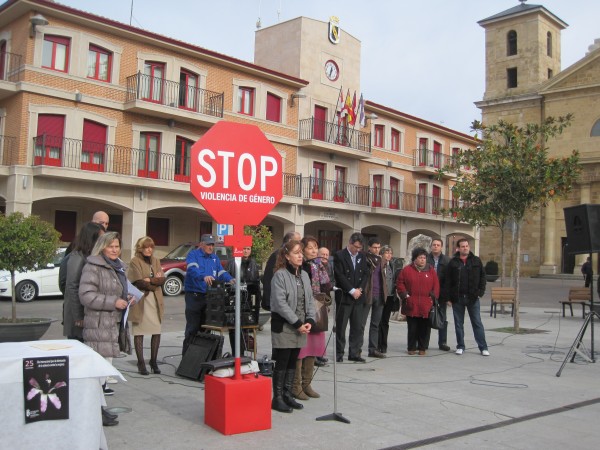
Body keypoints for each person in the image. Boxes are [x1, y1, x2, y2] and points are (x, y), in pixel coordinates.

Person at [78, 232, 130, 427]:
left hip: (111, 326)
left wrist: (127, 298)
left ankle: (99, 410)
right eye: (111, 246)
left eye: (117, 246)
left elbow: (118, 290)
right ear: (102, 247)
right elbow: (86, 295)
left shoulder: (118, 267)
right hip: (98, 326)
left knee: (103, 372)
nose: (115, 250)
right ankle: (94, 412)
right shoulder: (93, 266)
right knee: (98, 373)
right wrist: (113, 302)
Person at [270, 239, 315, 413]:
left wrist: (309, 320)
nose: (300, 256)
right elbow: (280, 304)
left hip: (300, 327)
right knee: (282, 362)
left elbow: (309, 300)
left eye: (301, 253)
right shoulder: (279, 275)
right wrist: (297, 323)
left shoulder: (303, 274)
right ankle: (278, 397)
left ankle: (288, 394)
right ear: (287, 256)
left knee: (292, 362)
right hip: (285, 326)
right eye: (296, 253)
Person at [292, 236, 331, 400]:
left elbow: (326, 286)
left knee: (313, 349)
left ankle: (307, 383)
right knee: (301, 349)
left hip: (317, 310)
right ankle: (296, 385)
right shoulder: (301, 267)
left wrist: (325, 302)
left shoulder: (319, 266)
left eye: (316, 247)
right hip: (303, 310)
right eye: (310, 248)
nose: (314, 250)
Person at [182, 234, 233, 356]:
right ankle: (187, 358)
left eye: (212, 245)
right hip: (194, 296)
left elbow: (221, 272)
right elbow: (192, 270)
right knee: (193, 327)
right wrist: (203, 276)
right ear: (201, 244)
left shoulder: (214, 258)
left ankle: (202, 357)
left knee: (207, 328)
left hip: (209, 296)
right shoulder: (193, 255)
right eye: (208, 245)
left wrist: (230, 279)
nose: (211, 247)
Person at [127, 236, 166, 375]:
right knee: (139, 332)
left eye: (151, 247)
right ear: (140, 248)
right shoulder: (134, 261)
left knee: (156, 331)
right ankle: (141, 362)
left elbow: (162, 279)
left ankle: (153, 361)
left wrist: (150, 280)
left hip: (155, 301)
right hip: (141, 301)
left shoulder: (156, 260)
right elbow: (138, 282)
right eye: (146, 247)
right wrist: (154, 283)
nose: (149, 249)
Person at [445, 238, 489, 356]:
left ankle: (483, 347)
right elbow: (448, 281)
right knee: (458, 323)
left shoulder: (476, 260)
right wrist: (448, 298)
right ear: (458, 248)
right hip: (457, 298)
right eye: (463, 246)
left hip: (473, 298)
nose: (465, 248)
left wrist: (480, 292)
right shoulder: (453, 262)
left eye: (467, 246)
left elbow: (483, 277)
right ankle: (460, 346)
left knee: (477, 322)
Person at [62, 222, 105, 342]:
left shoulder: (96, 256)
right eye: (100, 238)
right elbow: (71, 286)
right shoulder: (77, 257)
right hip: (79, 315)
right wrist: (78, 316)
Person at [334, 232, 369, 363]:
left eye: (360, 248)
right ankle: (339, 353)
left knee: (357, 327)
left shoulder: (362, 256)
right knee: (341, 327)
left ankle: (354, 352)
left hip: (358, 297)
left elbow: (366, 274)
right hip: (345, 297)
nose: (357, 250)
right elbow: (340, 275)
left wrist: (359, 289)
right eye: (355, 247)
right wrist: (351, 290)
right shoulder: (339, 255)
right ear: (349, 243)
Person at [397, 247, 439, 355]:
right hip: (411, 304)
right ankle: (411, 348)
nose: (422, 260)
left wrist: (432, 298)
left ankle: (422, 348)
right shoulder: (407, 270)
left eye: (424, 258)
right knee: (412, 328)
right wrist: (405, 295)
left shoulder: (431, 270)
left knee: (423, 328)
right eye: (420, 257)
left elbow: (436, 286)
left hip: (425, 305)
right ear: (415, 259)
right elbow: (400, 283)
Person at [226, 245, 261, 354]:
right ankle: (235, 354)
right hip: (234, 299)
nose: (245, 251)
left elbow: (256, 282)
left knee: (245, 327)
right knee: (233, 329)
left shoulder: (254, 263)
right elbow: (227, 279)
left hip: (248, 300)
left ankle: (242, 355)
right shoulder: (232, 262)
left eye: (248, 249)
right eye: (243, 248)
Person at [262, 231, 301, 311]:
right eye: (298, 241)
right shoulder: (278, 255)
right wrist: (269, 301)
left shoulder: (291, 255)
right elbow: (269, 277)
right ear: (290, 241)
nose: (300, 244)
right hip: (279, 301)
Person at [427, 238, 451, 351]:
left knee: (442, 317)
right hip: (428, 293)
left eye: (438, 245)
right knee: (426, 317)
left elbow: (450, 280)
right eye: (434, 245)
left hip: (442, 294)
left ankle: (443, 342)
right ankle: (423, 342)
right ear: (431, 246)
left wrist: (448, 297)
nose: (435, 246)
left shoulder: (447, 260)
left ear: (441, 247)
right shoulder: (426, 258)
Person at [364, 237, 387, 358]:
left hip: (380, 295)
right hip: (368, 294)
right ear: (369, 247)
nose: (377, 250)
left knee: (375, 324)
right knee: (361, 324)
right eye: (374, 247)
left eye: (378, 247)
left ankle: (373, 349)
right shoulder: (365, 258)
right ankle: (356, 350)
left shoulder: (382, 260)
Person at [377, 245, 396, 354]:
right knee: (378, 321)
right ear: (382, 254)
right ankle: (377, 344)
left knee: (385, 321)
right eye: (387, 252)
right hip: (380, 296)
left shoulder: (392, 265)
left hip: (389, 297)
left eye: (390, 253)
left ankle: (384, 344)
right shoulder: (378, 265)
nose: (389, 255)